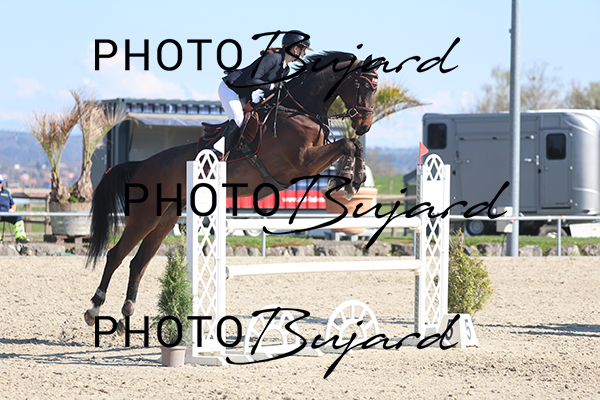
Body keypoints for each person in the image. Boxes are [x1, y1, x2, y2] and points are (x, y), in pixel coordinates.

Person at [217, 30, 312, 153]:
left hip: (244, 95)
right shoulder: (273, 58)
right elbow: (251, 79)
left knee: (252, 120)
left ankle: (237, 152)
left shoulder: (285, 70)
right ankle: (218, 152)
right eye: (303, 50)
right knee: (238, 119)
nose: (304, 54)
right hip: (230, 88)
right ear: (295, 48)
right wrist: (272, 86)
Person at [0, 174, 29, 243]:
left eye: (0, 182)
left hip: (6, 212)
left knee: (18, 217)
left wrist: (12, 209)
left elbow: (13, 204)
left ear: (2, 182)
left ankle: (20, 237)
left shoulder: (7, 192)